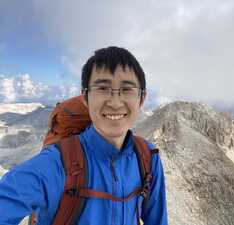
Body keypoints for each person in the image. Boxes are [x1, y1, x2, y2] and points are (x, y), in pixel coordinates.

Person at [0, 46, 168, 225]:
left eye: (127, 89)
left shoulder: (148, 158)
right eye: (103, 88)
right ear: (85, 97)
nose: (115, 102)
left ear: (141, 98)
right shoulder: (57, 163)